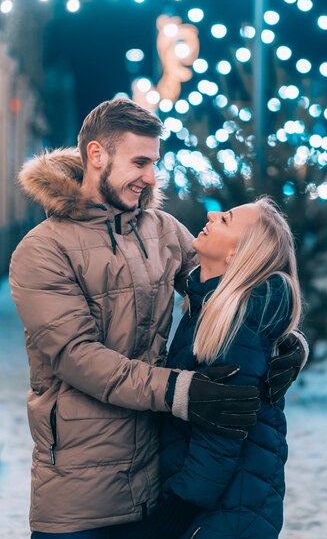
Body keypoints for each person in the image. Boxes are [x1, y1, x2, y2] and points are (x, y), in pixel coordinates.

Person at [9, 99, 306, 537]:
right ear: (96, 156)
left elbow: (233, 284)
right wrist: (181, 390)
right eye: (140, 162)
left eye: (154, 162)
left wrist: (286, 344)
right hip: (82, 490)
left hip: (154, 483)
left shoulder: (161, 230)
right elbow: (78, 357)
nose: (150, 177)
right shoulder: (43, 250)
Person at [132, 197, 307, 539]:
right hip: (227, 506)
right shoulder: (210, 304)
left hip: (224, 514)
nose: (211, 214)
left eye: (225, 220)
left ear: (235, 256)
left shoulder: (235, 315)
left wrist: (175, 512)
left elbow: (221, 435)